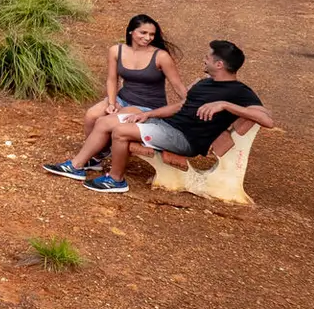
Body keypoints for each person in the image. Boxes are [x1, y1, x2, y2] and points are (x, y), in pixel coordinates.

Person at [43, 40, 275, 193]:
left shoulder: (239, 92)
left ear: (219, 63)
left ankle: (116, 180)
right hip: (166, 126)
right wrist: (149, 115)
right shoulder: (205, 83)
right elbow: (180, 107)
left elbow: (267, 120)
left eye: (207, 57)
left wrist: (225, 105)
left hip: (184, 140)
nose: (203, 59)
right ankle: (77, 166)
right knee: (105, 121)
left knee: (121, 131)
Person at [78, 14, 185, 169]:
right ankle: (96, 157)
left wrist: (191, 103)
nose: (148, 37)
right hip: (123, 97)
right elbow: (112, 79)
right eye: (143, 33)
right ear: (131, 32)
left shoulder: (161, 56)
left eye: (152, 34)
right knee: (91, 115)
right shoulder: (116, 50)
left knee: (110, 120)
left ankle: (89, 157)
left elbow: (177, 85)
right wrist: (112, 102)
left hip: (146, 105)